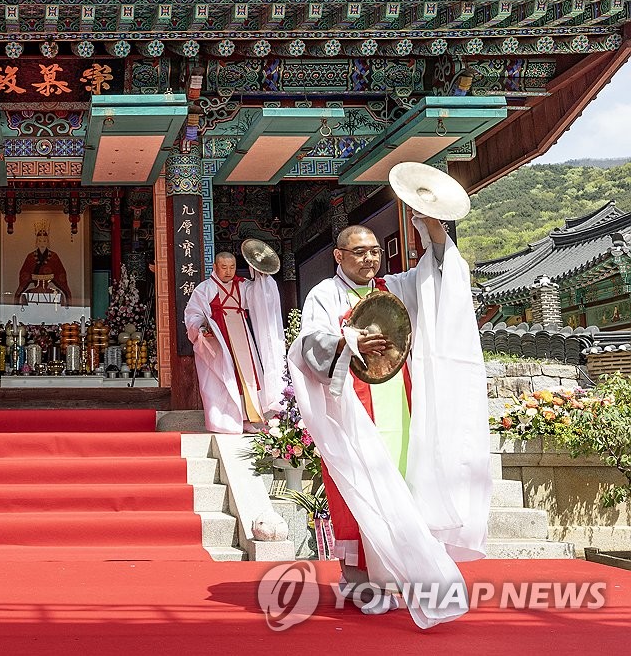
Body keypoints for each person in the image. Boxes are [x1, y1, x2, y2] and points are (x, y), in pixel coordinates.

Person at [288, 219, 491, 628]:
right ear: (339, 256)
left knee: (403, 487)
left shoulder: (394, 287)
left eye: (375, 251)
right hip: (354, 413)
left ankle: (403, 577)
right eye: (359, 252)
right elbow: (310, 344)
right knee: (360, 494)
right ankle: (362, 582)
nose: (370, 258)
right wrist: (349, 341)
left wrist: (431, 227)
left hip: (401, 402)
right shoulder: (325, 295)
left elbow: (439, 273)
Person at [184, 251, 285, 433]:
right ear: (214, 267)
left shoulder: (243, 286)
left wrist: (261, 275)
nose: (228, 271)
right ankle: (225, 421)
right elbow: (193, 314)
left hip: (242, 336)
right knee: (221, 380)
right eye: (223, 267)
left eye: (232, 267)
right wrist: (200, 328)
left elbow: (261, 296)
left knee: (247, 377)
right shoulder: (204, 288)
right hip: (218, 340)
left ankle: (248, 418)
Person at [16, 222, 71, 306]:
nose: (42, 243)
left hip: (49, 289)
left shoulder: (54, 256)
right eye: (40, 241)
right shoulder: (30, 256)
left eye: (44, 241)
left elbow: (60, 273)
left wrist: (51, 276)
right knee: (24, 296)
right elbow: (24, 273)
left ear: (47, 242)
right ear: (36, 242)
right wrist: (32, 277)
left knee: (60, 295)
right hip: (35, 288)